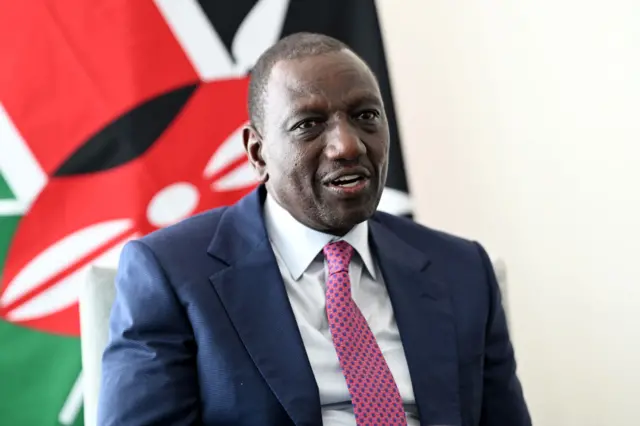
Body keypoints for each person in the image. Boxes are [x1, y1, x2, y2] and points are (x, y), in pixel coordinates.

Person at [98, 32, 531, 426]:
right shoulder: (172, 273)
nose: (348, 145)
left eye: (366, 116)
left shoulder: (463, 270)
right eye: (308, 124)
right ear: (258, 153)